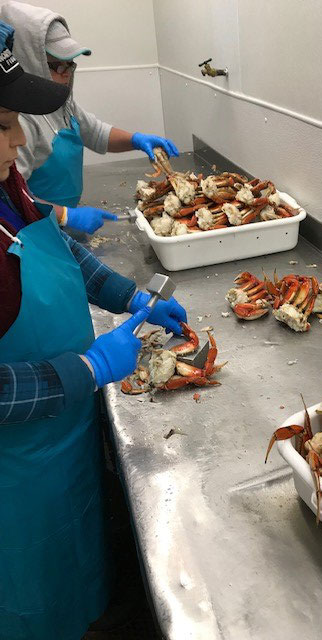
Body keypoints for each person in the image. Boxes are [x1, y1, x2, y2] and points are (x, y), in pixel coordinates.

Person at [0, 23, 187, 640]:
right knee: (30, 592)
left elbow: (60, 251)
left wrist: (130, 295)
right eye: (2, 125)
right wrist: (89, 369)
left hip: (64, 436)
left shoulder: (7, 187)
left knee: (80, 556)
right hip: (13, 473)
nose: (20, 140)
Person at [0, 1, 179, 234]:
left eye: (70, 65)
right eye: (56, 66)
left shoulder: (62, 105)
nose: (66, 75)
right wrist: (65, 215)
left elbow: (95, 132)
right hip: (37, 226)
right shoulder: (18, 121)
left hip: (64, 220)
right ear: (30, 59)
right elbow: (13, 198)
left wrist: (135, 139)